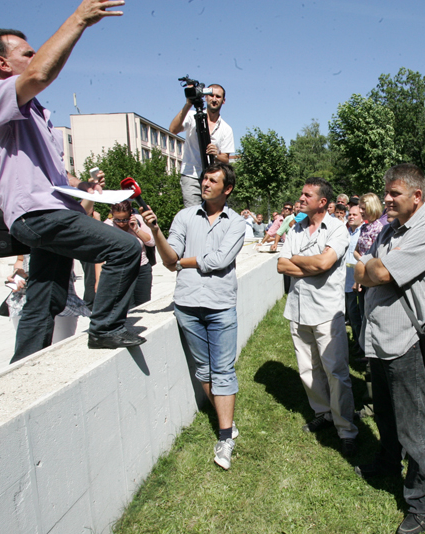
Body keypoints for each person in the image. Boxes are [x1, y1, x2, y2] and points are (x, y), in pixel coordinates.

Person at [0, 1, 145, 361]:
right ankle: (105, 329)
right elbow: (39, 74)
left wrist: (83, 188)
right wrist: (78, 20)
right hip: (39, 214)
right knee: (124, 248)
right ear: (3, 64)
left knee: (44, 293)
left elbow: (51, 174)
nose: (36, 56)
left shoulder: (35, 113)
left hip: (48, 208)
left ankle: (24, 365)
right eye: (27, 53)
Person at [354, 163, 425, 534]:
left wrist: (366, 269)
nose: (387, 199)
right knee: (387, 414)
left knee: (415, 424)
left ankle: (422, 502)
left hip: (405, 340)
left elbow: (376, 273)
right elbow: (366, 266)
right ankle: (388, 461)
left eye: (394, 194)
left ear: (417, 196)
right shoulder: (392, 230)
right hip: (379, 338)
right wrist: (367, 268)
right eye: (386, 192)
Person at [140, 162, 245, 470]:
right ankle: (227, 423)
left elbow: (220, 259)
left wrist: (182, 263)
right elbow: (169, 259)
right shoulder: (184, 216)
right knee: (204, 369)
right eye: (204, 178)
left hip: (220, 305)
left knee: (223, 369)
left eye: (213, 180)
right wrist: (156, 231)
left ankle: (225, 437)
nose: (205, 183)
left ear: (227, 189)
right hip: (186, 304)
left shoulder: (236, 222)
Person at [277, 177, 358, 456]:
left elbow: (325, 263)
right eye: (301, 194)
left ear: (322, 202)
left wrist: (299, 259)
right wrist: (310, 264)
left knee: (336, 372)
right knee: (307, 368)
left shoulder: (337, 230)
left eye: (306, 195)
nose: (300, 198)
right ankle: (323, 413)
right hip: (298, 309)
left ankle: (346, 428)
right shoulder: (296, 227)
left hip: (326, 312)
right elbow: (280, 264)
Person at [169, 80, 234, 208]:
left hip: (213, 176)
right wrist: (188, 103)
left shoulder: (226, 129)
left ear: (223, 100)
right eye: (211, 95)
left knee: (214, 213)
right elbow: (173, 129)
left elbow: (225, 159)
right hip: (191, 174)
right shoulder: (192, 116)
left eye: (218, 96)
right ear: (205, 97)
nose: (214, 99)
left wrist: (216, 154)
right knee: (194, 213)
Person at [102, 200, 155, 308]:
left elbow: (151, 242)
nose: (121, 223)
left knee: (144, 305)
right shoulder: (107, 226)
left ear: (131, 213)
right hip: (121, 271)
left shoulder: (138, 220)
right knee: (126, 306)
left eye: (125, 219)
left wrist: (135, 228)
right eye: (117, 219)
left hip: (142, 268)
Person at [345, 203, 364, 354]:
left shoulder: (363, 232)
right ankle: (358, 342)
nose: (351, 217)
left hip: (358, 278)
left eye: (354, 214)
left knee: (358, 314)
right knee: (351, 314)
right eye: (349, 214)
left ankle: (362, 345)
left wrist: (358, 280)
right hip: (346, 277)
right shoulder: (347, 232)